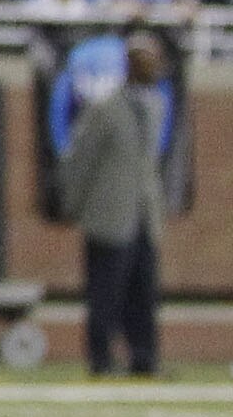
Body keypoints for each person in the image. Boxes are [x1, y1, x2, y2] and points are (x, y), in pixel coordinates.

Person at [57, 24, 188, 377]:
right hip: (108, 212)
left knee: (143, 292)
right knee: (105, 293)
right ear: (130, 64)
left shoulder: (157, 105)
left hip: (143, 213)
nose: (153, 66)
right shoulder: (104, 108)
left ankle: (144, 358)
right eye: (145, 60)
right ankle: (101, 360)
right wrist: (74, 204)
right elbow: (81, 159)